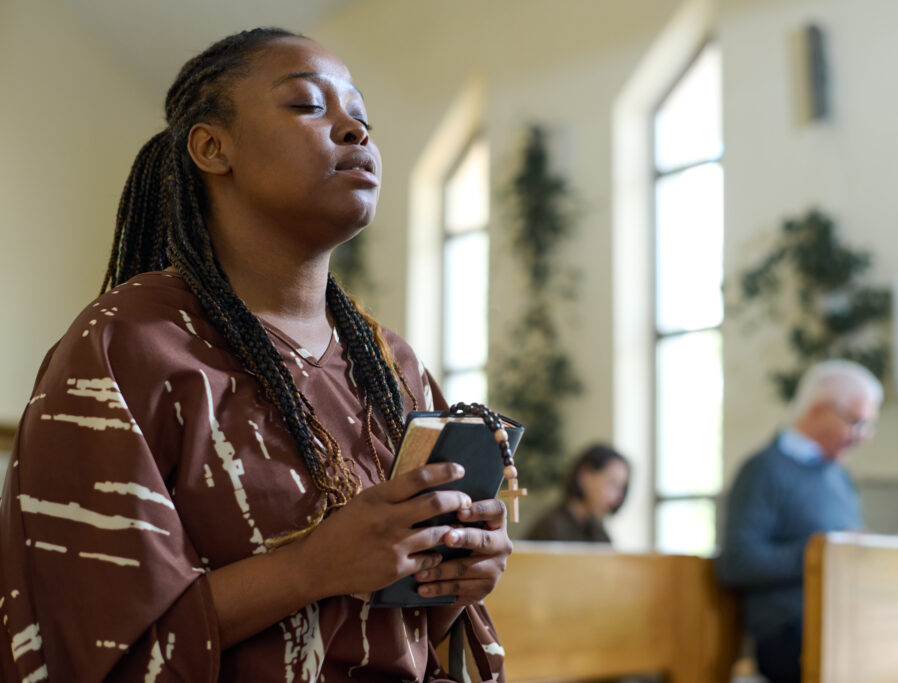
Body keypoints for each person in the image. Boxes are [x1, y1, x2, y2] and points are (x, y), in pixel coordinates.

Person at [0, 28, 511, 682]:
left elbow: (412, 633)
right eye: (307, 105)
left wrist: (460, 568)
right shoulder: (125, 343)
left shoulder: (393, 365)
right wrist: (311, 565)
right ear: (214, 147)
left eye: (361, 116)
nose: (354, 130)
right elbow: (94, 642)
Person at [716, 360, 882, 683]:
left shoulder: (839, 477)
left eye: (867, 427)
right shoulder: (763, 470)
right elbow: (736, 562)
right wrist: (822, 551)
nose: (862, 437)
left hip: (843, 618)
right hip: (788, 631)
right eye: (856, 423)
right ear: (819, 409)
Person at [526, 444, 630, 543]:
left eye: (622, 488)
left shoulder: (599, 534)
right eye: (612, 483)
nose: (618, 497)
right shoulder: (550, 528)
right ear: (585, 476)